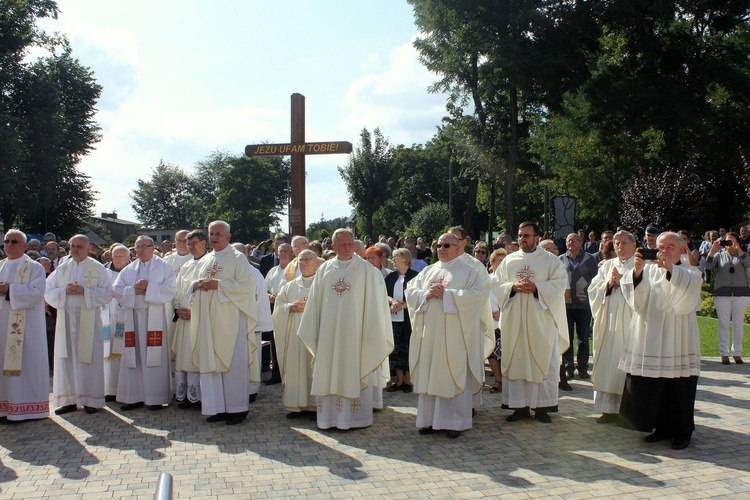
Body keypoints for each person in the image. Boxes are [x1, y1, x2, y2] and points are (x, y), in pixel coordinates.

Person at [298, 228, 393, 430]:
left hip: (356, 335)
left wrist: (371, 331)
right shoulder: (324, 270)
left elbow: (376, 306)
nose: (348, 247)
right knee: (329, 369)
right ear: (333, 246)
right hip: (329, 335)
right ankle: (329, 418)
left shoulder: (368, 271)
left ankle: (357, 419)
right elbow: (315, 303)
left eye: (350, 243)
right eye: (342, 244)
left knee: (353, 367)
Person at [618, 232, 702, 450]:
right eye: (660, 247)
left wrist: (670, 269)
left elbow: (688, 288)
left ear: (683, 249)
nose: (664, 251)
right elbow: (636, 299)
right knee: (655, 383)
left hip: (678, 337)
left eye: (670, 247)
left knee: (678, 385)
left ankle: (682, 432)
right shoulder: (647, 270)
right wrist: (636, 272)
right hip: (652, 335)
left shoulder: (690, 271)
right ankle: (660, 427)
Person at [406, 233, 488, 438]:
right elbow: (410, 291)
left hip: (455, 337)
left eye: (447, 245)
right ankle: (429, 421)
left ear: (459, 246)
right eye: (439, 245)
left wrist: (448, 295)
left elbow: (477, 297)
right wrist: (426, 294)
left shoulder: (469, 272)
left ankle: (454, 423)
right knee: (430, 373)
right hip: (431, 335)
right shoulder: (428, 270)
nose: (442, 249)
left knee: (452, 374)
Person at [492, 221, 568, 423]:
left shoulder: (551, 261)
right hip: (515, 321)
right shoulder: (509, 260)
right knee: (517, 359)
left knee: (541, 359)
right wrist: (512, 287)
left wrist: (536, 288)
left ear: (538, 238)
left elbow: (559, 285)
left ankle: (542, 406)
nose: (522, 239)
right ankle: (519, 406)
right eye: (520, 235)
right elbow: (496, 284)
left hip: (540, 322)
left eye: (526, 235)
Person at [192, 221, 258, 425]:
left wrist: (218, 286)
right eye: (211, 233)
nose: (214, 237)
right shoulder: (205, 260)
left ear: (228, 236)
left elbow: (247, 288)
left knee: (233, 364)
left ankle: (237, 409)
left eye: (218, 233)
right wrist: (197, 286)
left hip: (230, 320)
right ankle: (217, 407)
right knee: (211, 364)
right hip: (208, 321)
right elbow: (191, 285)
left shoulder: (238, 258)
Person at [45, 234, 113, 415]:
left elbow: (107, 293)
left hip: (88, 320)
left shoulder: (97, 268)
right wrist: (65, 290)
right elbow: (48, 290)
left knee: (88, 359)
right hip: (66, 318)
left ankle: (91, 400)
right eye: (72, 246)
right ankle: (69, 400)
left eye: (79, 247)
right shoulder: (62, 267)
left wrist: (85, 291)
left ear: (88, 249)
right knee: (66, 359)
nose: (74, 249)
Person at [113, 236, 176, 411]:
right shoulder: (129, 269)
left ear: (152, 247)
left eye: (143, 247)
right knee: (134, 358)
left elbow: (170, 290)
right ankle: (133, 397)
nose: (140, 250)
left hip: (154, 318)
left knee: (153, 358)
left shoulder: (164, 267)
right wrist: (135, 290)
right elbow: (117, 290)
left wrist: (148, 287)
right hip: (133, 318)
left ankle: (155, 398)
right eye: (137, 247)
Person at [0, 229, 50, 423]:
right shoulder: (1, 265)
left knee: (25, 364)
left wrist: (9, 289)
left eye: (15, 241)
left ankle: (28, 408)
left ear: (25, 246)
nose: (10, 245)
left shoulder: (34, 268)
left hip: (26, 328)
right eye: (7, 241)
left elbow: (37, 293)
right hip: (3, 327)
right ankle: (5, 408)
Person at [588, 230, 637, 423]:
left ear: (634, 245)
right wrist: (608, 283)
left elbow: (647, 292)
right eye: (616, 243)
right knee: (609, 363)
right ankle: (608, 409)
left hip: (631, 324)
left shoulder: (642, 266)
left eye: (624, 243)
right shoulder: (607, 265)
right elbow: (593, 289)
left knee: (626, 364)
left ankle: (627, 411)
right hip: (609, 322)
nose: (619, 246)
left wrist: (623, 283)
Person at [271, 249, 321, 418]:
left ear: (316, 263)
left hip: (316, 335)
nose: (305, 263)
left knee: (313, 369)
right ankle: (296, 406)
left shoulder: (322, 285)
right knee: (295, 368)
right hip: (294, 336)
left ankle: (316, 406)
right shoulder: (289, 286)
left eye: (308, 259)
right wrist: (290, 307)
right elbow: (277, 309)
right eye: (301, 260)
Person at [172, 230, 208, 409]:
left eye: (194, 242)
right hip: (184, 320)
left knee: (196, 357)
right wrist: (178, 308)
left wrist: (195, 312)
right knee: (183, 356)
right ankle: (185, 395)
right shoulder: (186, 267)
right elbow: (177, 291)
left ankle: (199, 397)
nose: (191, 246)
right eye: (189, 243)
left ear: (204, 243)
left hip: (201, 321)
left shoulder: (210, 264)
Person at [705, 231, 750, 365]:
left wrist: (739, 250)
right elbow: (708, 266)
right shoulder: (719, 255)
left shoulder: (742, 255)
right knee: (723, 324)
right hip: (722, 293)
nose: (730, 244)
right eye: (727, 241)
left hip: (741, 294)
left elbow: (748, 264)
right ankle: (724, 353)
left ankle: (737, 353)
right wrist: (712, 251)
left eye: (732, 240)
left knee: (737, 324)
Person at [559, 233, 598, 380]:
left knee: (583, 338)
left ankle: (582, 368)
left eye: (575, 240)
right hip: (566, 305)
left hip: (584, 304)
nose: (572, 243)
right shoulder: (561, 260)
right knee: (567, 337)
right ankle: (569, 367)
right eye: (569, 240)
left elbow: (596, 279)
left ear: (581, 242)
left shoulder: (590, 259)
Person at [385, 248, 418, 393]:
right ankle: (398, 380)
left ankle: (409, 380)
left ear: (404, 258)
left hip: (408, 319)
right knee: (396, 350)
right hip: (393, 318)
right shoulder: (391, 277)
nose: (393, 260)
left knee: (408, 349)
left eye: (395, 257)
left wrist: (403, 305)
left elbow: (418, 296)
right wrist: (393, 302)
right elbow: (384, 293)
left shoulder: (415, 276)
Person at [102, 245, 130, 402]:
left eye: (121, 256)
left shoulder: (131, 272)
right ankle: (108, 389)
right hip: (107, 316)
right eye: (115, 256)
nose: (118, 259)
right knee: (107, 351)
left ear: (128, 258)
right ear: (111, 257)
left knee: (123, 351)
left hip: (125, 316)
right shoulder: (104, 273)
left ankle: (123, 388)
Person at [487, 248, 508, 394]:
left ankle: (508, 380)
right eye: (498, 261)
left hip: (506, 321)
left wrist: (502, 314)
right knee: (492, 353)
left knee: (507, 353)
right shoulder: (485, 280)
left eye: (504, 261)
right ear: (492, 262)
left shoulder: (510, 280)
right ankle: (498, 380)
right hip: (490, 322)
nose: (501, 264)